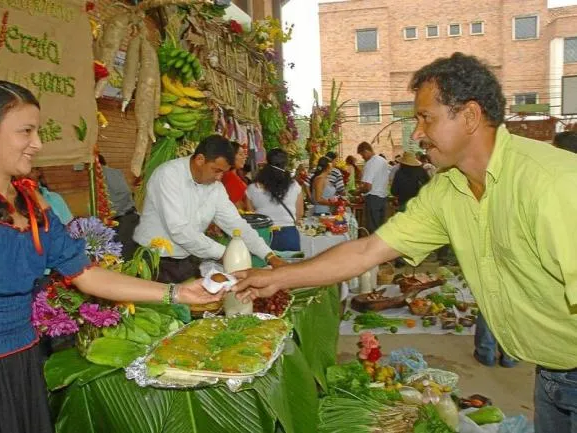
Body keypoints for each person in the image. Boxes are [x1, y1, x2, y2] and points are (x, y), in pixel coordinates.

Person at [232, 52, 577, 432]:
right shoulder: (448, 190)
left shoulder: (552, 184)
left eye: (425, 118)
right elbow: (367, 250)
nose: (416, 133)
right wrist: (279, 278)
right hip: (553, 373)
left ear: (470, 116)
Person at [0, 81, 220, 433]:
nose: (37, 143)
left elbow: (87, 274)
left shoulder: (32, 201)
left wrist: (179, 293)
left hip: (24, 366)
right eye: (26, 131)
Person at [133, 134, 285, 284]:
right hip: (154, 262)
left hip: (186, 260)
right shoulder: (168, 175)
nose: (219, 178)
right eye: (216, 170)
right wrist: (226, 254)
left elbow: (236, 224)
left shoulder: (215, 188)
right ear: (200, 160)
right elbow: (179, 230)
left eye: (223, 172)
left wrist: (269, 256)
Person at [246, 149, 304, 252]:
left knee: (264, 267)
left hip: (262, 236)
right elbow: (299, 214)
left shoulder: (252, 188)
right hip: (288, 236)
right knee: (291, 266)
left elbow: (251, 216)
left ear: (267, 163)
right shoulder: (294, 186)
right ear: (285, 164)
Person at [98, 154, 139, 260]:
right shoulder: (100, 175)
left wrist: (111, 212)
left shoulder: (108, 172)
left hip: (125, 217)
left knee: (124, 255)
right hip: (117, 219)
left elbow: (125, 192)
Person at [357, 141, 390, 233]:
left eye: (362, 154)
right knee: (380, 227)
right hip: (383, 197)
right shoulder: (383, 160)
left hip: (373, 198)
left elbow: (367, 187)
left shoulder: (370, 163)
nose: (362, 157)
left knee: (372, 228)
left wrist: (358, 191)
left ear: (366, 151)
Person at [221, 141, 249, 210]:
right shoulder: (229, 177)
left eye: (244, 154)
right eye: (240, 154)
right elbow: (237, 206)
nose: (244, 157)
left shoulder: (236, 174)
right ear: (231, 156)